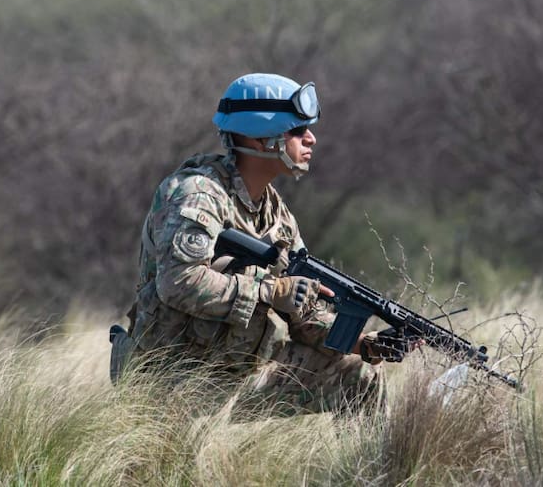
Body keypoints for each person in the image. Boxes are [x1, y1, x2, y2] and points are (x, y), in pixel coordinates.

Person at [113, 73, 415, 415]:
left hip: (240, 371)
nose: (311, 139)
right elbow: (178, 282)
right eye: (298, 131)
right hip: (171, 379)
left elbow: (304, 311)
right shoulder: (196, 194)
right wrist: (268, 291)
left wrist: (365, 344)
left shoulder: (278, 218)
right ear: (258, 139)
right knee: (185, 463)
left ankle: (379, 469)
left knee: (361, 379)